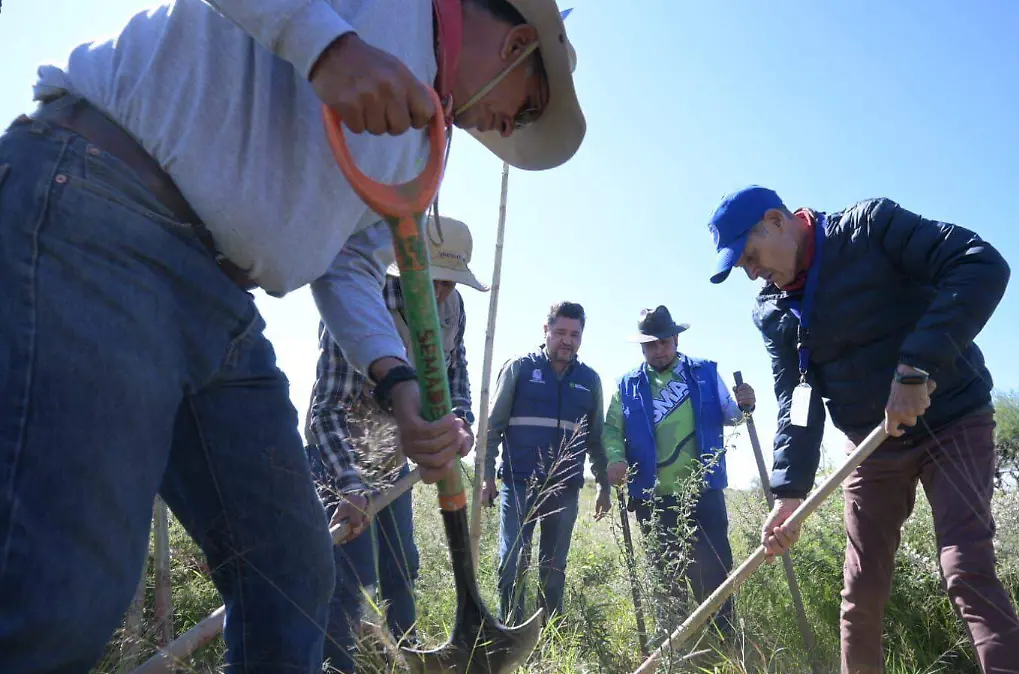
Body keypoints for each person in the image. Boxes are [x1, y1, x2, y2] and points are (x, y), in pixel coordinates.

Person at [0, 0, 586, 670]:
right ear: (516, 44)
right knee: (63, 591)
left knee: (294, 575)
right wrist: (328, 48)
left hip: (218, 299)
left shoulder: (424, 139)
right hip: (99, 213)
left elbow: (349, 264)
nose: (509, 128)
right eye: (529, 106)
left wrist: (396, 382)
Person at [706, 186, 1019, 674]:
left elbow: (981, 263)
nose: (752, 272)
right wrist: (789, 492)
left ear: (777, 220)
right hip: (871, 445)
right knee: (861, 590)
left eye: (750, 256)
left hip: (954, 420)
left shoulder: (870, 228)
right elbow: (797, 400)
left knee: (965, 569)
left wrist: (916, 368)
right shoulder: (773, 310)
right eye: (742, 267)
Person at [304, 215, 488, 671]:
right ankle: (339, 666)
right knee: (350, 579)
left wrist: (459, 417)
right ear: (407, 267)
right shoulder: (363, 302)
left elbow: (456, 367)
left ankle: (406, 660)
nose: (441, 292)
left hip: (391, 460)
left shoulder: (453, 307)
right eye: (434, 281)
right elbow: (325, 410)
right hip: (340, 461)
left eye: (451, 282)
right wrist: (348, 486)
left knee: (402, 566)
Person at [601, 305, 755, 640]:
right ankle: (673, 647)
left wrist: (746, 404)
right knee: (665, 573)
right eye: (650, 345)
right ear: (642, 347)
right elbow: (612, 430)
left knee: (714, 570)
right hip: (652, 497)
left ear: (675, 339)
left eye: (664, 342)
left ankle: (724, 641)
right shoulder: (626, 385)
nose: (658, 351)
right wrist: (615, 457)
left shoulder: (704, 372)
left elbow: (733, 415)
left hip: (704, 491)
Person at [482, 301, 611, 625]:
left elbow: (595, 439)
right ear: (546, 330)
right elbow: (493, 427)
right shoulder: (520, 368)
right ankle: (510, 632)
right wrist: (486, 477)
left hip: (565, 487)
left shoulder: (589, 380)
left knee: (554, 568)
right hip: (519, 481)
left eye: (575, 334)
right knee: (513, 562)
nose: (567, 340)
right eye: (560, 332)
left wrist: (604, 487)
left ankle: (549, 632)